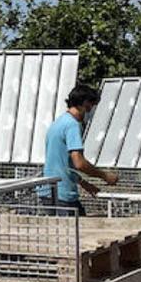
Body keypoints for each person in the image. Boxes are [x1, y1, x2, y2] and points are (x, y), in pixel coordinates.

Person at [41, 84, 115, 214]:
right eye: (92, 106)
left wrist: (83, 183)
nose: (91, 111)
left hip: (48, 191)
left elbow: (62, 164)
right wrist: (105, 175)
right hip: (63, 194)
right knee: (76, 231)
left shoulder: (59, 122)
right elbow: (79, 163)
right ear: (85, 104)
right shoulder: (72, 125)